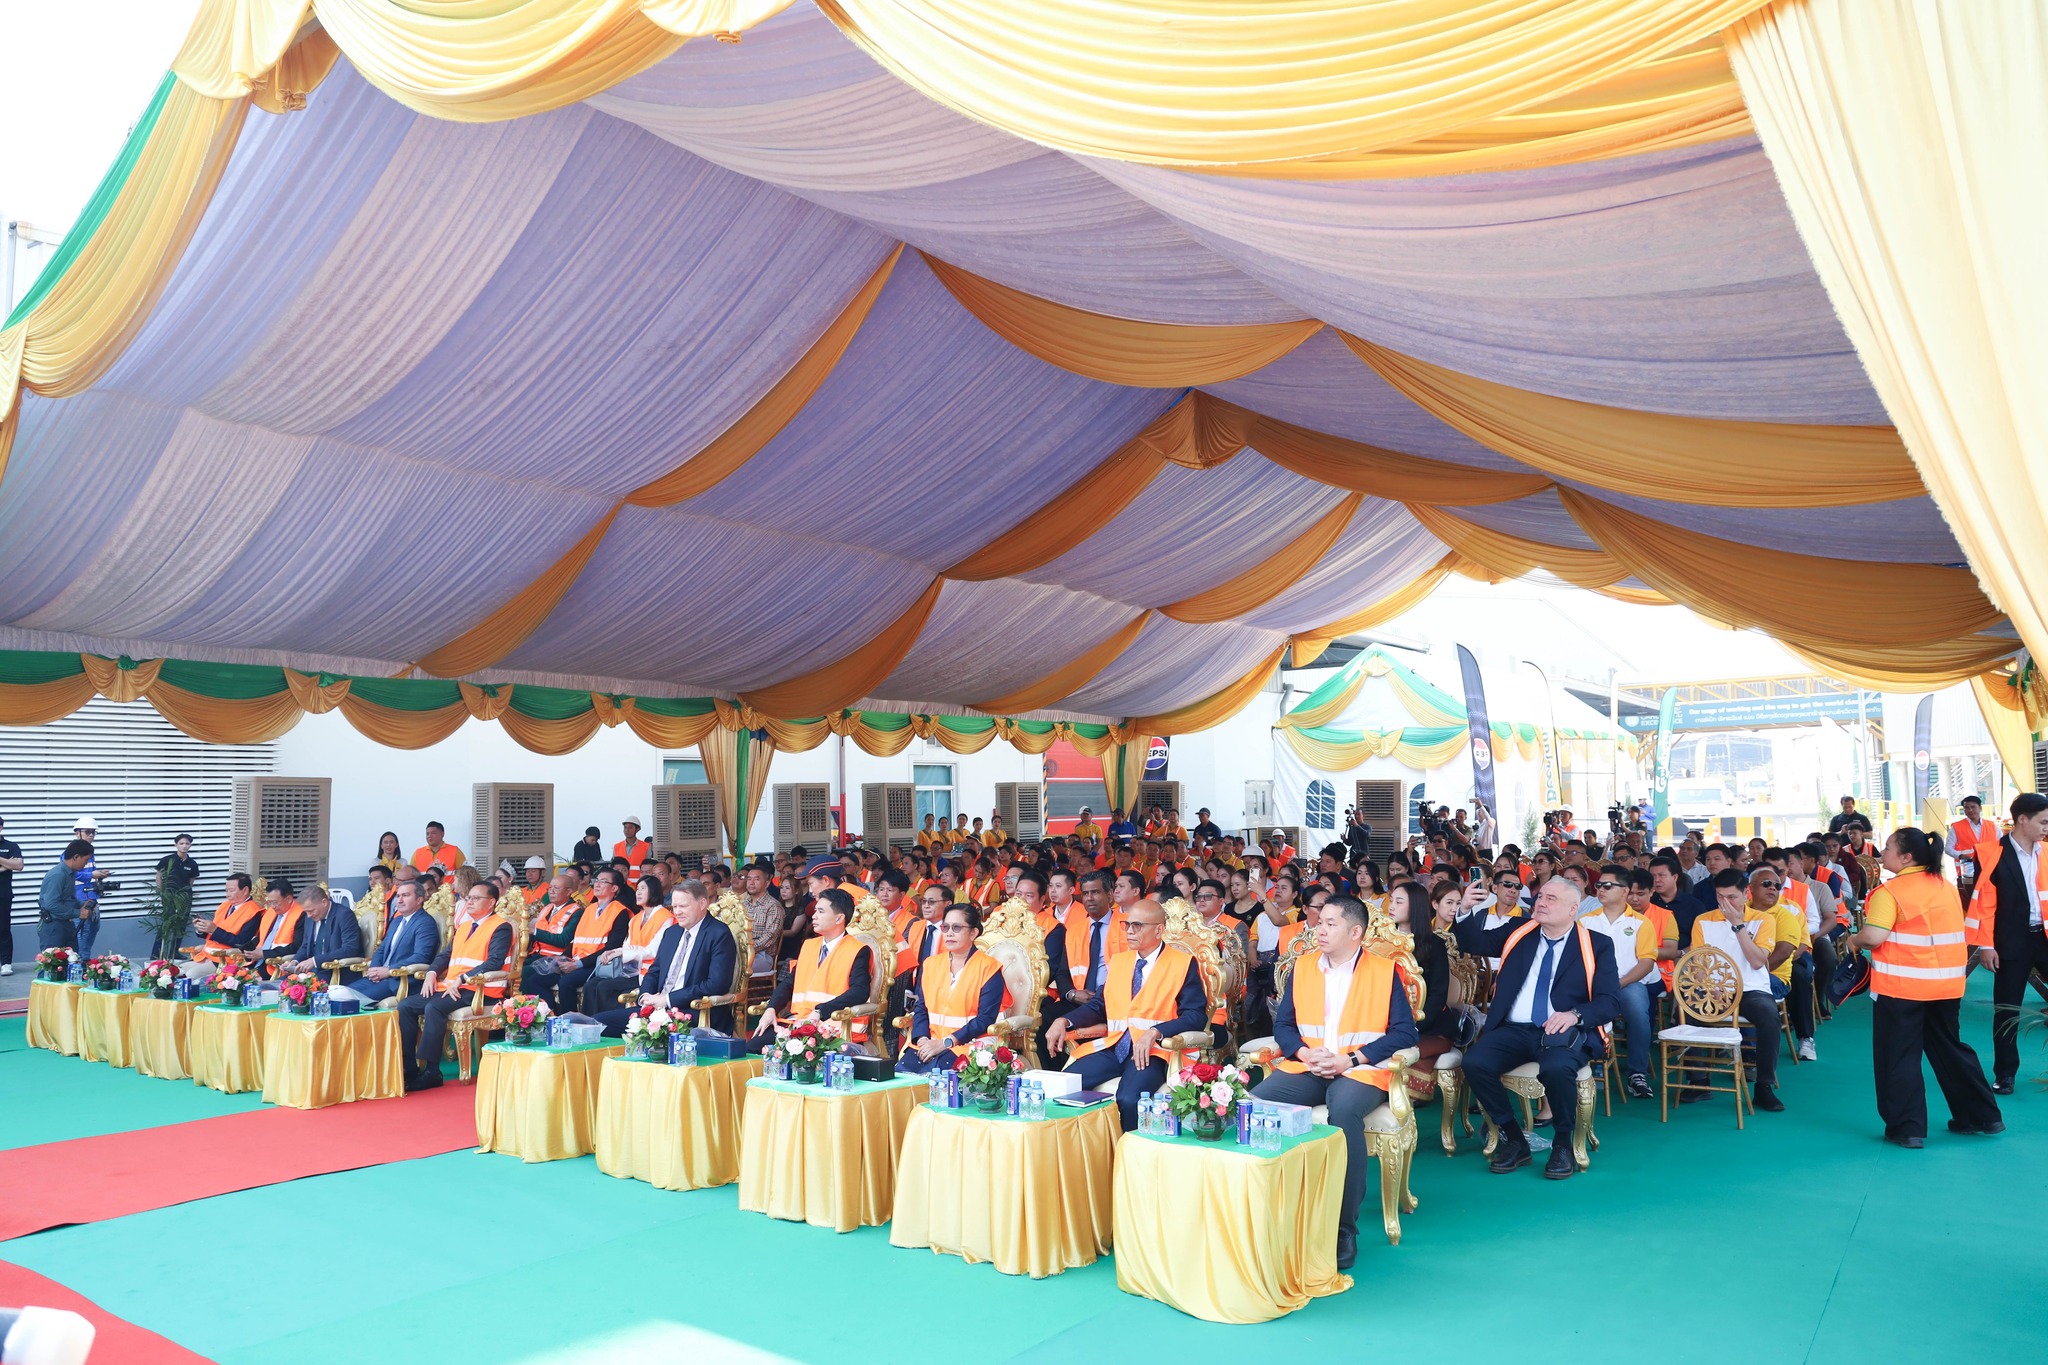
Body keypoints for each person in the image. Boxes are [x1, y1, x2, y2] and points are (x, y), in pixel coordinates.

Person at [1250, 895, 1419, 1270]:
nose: (1319, 930)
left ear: (1355, 932)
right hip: (1308, 1067)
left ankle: (1344, 1228)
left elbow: (1405, 1033)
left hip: (1359, 1070)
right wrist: (1304, 1053)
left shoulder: (1384, 971)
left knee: (1343, 1114)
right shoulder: (1303, 966)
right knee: (1254, 1106)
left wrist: (1352, 1059)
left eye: (1330, 923)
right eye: (1319, 922)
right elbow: (1284, 1025)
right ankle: (1267, 1209)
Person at [1438, 875, 1620, 1178]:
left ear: (1573, 909)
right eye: (1540, 896)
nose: (1541, 902)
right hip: (1514, 1028)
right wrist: (1465, 910)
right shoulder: (1519, 930)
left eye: (1551, 899)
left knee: (1556, 1068)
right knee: (1475, 1062)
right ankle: (1514, 1138)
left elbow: (1610, 1002)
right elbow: (1473, 942)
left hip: (1561, 1031)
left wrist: (1574, 1014)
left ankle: (1563, 1143)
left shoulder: (1596, 944)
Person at [1860, 827, 2002, 1146]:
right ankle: (1982, 1116)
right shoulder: (1945, 887)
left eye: (1888, 848)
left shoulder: (1890, 892)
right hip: (1945, 987)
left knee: (1899, 1056)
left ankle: (1908, 1128)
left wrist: (1855, 941)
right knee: (1950, 1049)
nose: (1883, 852)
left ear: (1906, 857)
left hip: (1901, 989)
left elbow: (1872, 937)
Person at [1046, 897, 1208, 1132]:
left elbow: (1195, 1016)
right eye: (1127, 925)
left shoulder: (1182, 963)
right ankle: (1088, 1147)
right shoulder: (1120, 961)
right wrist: (1064, 1020)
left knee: (1130, 1100)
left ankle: (1128, 1151)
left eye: (1137, 926)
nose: (1129, 931)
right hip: (1115, 1046)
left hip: (1154, 1052)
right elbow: (1099, 1005)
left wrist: (1156, 1032)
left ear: (1158, 930)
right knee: (1064, 1085)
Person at [1964, 791, 2048, 1095]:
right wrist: (1986, 945)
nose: (2046, 827)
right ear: (2022, 820)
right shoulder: (1991, 854)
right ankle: (2005, 1074)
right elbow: (1984, 904)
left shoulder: (2046, 853)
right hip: (2011, 942)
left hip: (2045, 938)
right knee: (2007, 1010)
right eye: (2043, 822)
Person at [399, 881, 513, 1091]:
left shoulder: (501, 926)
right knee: (405, 1005)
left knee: (434, 1007)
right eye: (468, 898)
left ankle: (432, 1071)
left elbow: (494, 962)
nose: (469, 902)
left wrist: (463, 978)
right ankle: (409, 1068)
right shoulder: (465, 926)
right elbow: (446, 955)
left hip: (482, 990)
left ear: (491, 902)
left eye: (476, 898)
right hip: (453, 988)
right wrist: (432, 973)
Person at [1688, 869, 1785, 1112]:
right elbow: (1697, 964)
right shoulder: (1702, 920)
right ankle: (1699, 1081)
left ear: (1746, 894)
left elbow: (1757, 961)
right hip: (1715, 988)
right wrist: (1712, 987)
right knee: (1690, 1007)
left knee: (1769, 1017)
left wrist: (1738, 925)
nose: (1725, 903)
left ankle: (1764, 1086)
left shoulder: (1763, 920)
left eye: (1731, 897)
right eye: (1720, 897)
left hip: (1751, 988)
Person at [597, 878, 738, 1036]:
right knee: (598, 1024)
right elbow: (655, 971)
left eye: (683, 906)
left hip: (693, 1010)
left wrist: (668, 999)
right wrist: (645, 996)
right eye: (674, 907)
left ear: (702, 903)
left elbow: (716, 984)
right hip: (657, 1009)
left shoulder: (718, 933)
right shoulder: (672, 932)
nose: (677, 912)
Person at [752, 886, 874, 1047]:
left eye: (821, 912)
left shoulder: (858, 950)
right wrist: (771, 1008)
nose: (814, 916)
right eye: (815, 910)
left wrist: (820, 1011)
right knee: (751, 1047)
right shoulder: (809, 945)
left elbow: (860, 991)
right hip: (798, 1022)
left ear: (839, 918)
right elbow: (789, 983)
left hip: (833, 1027)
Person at [899, 904, 1011, 1074]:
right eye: (946, 927)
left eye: (956, 927)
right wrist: (922, 1040)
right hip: (932, 1042)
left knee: (936, 1074)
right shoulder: (931, 964)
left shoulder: (989, 968)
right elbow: (921, 1007)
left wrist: (946, 1042)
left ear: (973, 933)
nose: (949, 933)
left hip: (971, 1044)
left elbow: (985, 1019)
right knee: (902, 1072)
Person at [1749, 865, 1815, 1062]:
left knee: (1800, 977)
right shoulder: (1740, 912)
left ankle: (1805, 1037)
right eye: (1766, 884)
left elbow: (1791, 949)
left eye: (1777, 885)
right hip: (1746, 971)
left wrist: (1753, 973)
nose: (1772, 888)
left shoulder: (1789, 911)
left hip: (1782, 966)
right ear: (1750, 887)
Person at [583, 870, 671, 1015]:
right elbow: (627, 945)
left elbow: (653, 951)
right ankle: (590, 1023)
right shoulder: (636, 919)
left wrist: (621, 953)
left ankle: (606, 1023)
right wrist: (614, 952)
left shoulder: (665, 917)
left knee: (605, 987)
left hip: (649, 973)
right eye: (637, 889)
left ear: (654, 891)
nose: (638, 892)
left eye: (643, 888)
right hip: (630, 969)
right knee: (591, 984)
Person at [344, 878, 438, 1004]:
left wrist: (388, 971)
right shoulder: (397, 921)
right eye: (398, 896)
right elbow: (382, 949)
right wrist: (375, 970)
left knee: (352, 1001)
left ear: (419, 900)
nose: (399, 900)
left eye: (405, 895)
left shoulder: (425, 922)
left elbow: (421, 957)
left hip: (400, 980)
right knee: (341, 994)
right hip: (379, 978)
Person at [178, 873, 263, 976]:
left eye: (231, 890)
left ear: (245, 890)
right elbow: (213, 933)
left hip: (228, 959)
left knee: (191, 974)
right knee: (176, 971)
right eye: (226, 891)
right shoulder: (225, 905)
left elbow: (242, 942)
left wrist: (214, 930)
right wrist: (201, 929)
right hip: (207, 955)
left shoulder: (254, 911)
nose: (227, 895)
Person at [280, 886, 361, 984]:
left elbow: (349, 949)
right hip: (311, 972)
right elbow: (305, 945)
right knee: (277, 984)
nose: (308, 915)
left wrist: (315, 961)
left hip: (335, 972)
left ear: (324, 902)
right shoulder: (310, 917)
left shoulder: (344, 915)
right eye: (306, 912)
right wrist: (294, 962)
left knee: (292, 987)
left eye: (311, 911)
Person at [37, 840, 93, 952]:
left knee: (73, 959)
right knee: (54, 961)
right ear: (76, 857)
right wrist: (78, 913)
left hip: (67, 924)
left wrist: (82, 904)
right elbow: (51, 904)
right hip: (54, 926)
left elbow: (68, 898)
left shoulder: (70, 873)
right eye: (86, 860)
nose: (86, 864)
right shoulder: (58, 875)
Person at [68, 816, 110, 960]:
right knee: (82, 932)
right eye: (88, 832)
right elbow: (71, 872)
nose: (91, 835)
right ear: (77, 833)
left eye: (93, 832)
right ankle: (81, 961)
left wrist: (99, 874)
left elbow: (88, 873)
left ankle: (84, 958)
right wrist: (92, 874)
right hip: (79, 900)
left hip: (91, 899)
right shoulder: (70, 853)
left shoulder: (90, 853)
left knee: (92, 929)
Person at [152, 834, 201, 953]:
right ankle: (157, 953)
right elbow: (159, 876)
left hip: (184, 897)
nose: (184, 846)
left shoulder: (192, 863)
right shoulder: (167, 860)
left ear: (190, 845)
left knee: (181, 924)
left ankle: (175, 953)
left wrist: (185, 895)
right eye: (181, 843)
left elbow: (191, 881)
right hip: (169, 896)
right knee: (166, 923)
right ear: (176, 845)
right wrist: (161, 893)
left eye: (187, 843)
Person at [251, 879, 307, 975]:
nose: (272, 906)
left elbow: (297, 946)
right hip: (258, 961)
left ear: (289, 899)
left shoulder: (302, 915)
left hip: (278, 965)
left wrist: (265, 954)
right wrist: (248, 948)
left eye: (275, 902)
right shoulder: (271, 912)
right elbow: (263, 937)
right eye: (269, 902)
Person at [737, 862, 782, 975]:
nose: (751, 883)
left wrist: (745, 949)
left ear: (767, 883)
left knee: (733, 965)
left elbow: (769, 937)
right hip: (740, 952)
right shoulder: (742, 905)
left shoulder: (773, 906)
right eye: (749, 879)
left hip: (763, 956)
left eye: (756, 879)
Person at [0, 815, 22, 974]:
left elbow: (19, 865)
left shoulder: (11, 846)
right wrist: (7, 865)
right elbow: (13, 864)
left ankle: (6, 963)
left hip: (4, 894)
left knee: (3, 929)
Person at [614, 818, 650, 883]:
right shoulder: (617, 847)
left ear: (637, 829)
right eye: (625, 827)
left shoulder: (646, 846)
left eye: (630, 827)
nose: (627, 830)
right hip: (622, 884)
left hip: (639, 884)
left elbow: (648, 867)